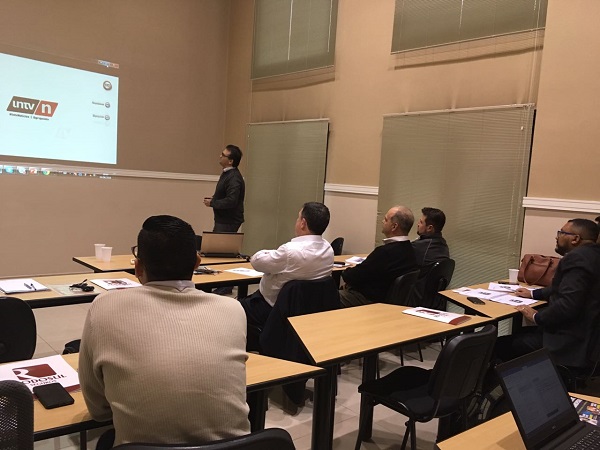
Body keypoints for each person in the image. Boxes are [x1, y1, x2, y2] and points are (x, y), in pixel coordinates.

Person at [79, 215, 250, 447]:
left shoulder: (104, 306)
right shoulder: (233, 309)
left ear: (138, 267)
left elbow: (98, 410)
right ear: (197, 263)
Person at [496, 218, 600, 370]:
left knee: (497, 345)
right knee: (521, 334)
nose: (557, 237)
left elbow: (567, 305)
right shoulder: (594, 255)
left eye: (561, 232)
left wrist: (536, 316)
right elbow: (562, 287)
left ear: (575, 239)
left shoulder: (577, 258)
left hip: (568, 344)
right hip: (588, 340)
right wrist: (533, 294)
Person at [240, 202, 334, 337]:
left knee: (232, 309)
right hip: (307, 312)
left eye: (298, 217)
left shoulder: (290, 251)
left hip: (271, 309)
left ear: (303, 223)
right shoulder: (328, 250)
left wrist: (270, 252)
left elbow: (257, 262)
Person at [339, 205, 418, 307]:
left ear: (394, 226)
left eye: (386, 219)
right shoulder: (411, 250)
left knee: (325, 297)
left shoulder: (384, 252)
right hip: (390, 302)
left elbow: (353, 276)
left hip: (368, 300)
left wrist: (346, 272)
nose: (382, 221)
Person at [409, 207, 450, 306]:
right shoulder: (443, 244)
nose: (418, 224)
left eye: (421, 222)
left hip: (415, 301)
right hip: (434, 302)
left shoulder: (420, 247)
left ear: (429, 228)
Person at [203, 145, 245, 233]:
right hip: (224, 220)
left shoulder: (233, 178)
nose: (220, 156)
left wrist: (212, 203)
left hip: (228, 221)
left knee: (219, 242)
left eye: (223, 155)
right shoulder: (227, 173)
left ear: (230, 161)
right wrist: (214, 199)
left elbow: (232, 200)